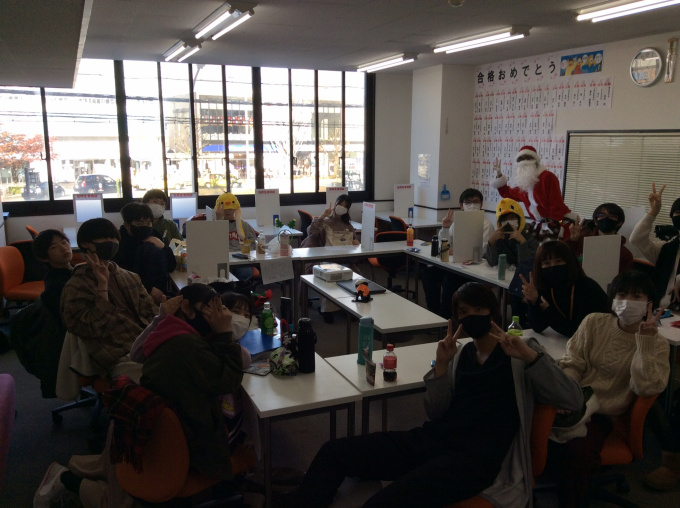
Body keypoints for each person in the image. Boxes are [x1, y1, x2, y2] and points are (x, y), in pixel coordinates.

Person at [283, 282, 583, 507]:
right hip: (433, 440)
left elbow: (572, 399)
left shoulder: (519, 351)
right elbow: (438, 413)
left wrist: (530, 357)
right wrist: (441, 366)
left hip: (474, 462)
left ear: (493, 312)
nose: (471, 316)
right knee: (334, 452)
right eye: (463, 312)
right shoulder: (462, 355)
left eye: (478, 310)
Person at [549, 270, 670, 508]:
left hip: (604, 413)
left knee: (577, 451)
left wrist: (645, 344)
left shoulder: (658, 343)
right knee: (524, 422)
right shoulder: (594, 322)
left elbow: (646, 388)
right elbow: (573, 362)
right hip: (573, 399)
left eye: (636, 296)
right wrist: (567, 394)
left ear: (649, 304)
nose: (627, 301)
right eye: (621, 294)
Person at [140, 283, 245, 479]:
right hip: (197, 447)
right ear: (186, 308)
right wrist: (224, 334)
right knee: (244, 411)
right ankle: (236, 480)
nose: (216, 316)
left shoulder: (166, 332)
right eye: (209, 308)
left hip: (171, 435)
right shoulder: (189, 346)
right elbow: (230, 381)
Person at [60, 218, 158, 378]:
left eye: (114, 238)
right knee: (166, 376)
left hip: (146, 343)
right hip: (117, 353)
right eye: (104, 238)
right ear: (86, 244)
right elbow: (91, 329)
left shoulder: (130, 277)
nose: (111, 242)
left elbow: (151, 313)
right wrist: (102, 286)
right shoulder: (76, 286)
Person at [421, 188, 495, 318]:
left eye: (475, 201)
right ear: (461, 206)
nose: (472, 205)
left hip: (475, 269)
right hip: (455, 264)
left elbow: (482, 251)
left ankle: (445, 317)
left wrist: (457, 250)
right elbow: (444, 244)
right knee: (428, 273)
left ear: (481, 204)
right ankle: (434, 312)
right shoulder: (457, 223)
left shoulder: (486, 225)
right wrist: (445, 228)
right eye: (468, 202)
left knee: (450, 280)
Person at [520, 240, 608, 337]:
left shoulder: (587, 287)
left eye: (558, 261)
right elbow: (538, 326)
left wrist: (548, 310)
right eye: (547, 263)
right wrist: (533, 302)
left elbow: (577, 331)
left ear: (569, 262)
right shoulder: (546, 287)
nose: (553, 266)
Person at [301, 194, 360, 322]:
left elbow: (354, 242)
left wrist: (356, 243)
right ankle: (327, 310)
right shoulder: (325, 222)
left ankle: (349, 308)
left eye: (345, 206)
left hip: (344, 260)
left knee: (355, 276)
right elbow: (311, 232)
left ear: (347, 210)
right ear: (335, 204)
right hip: (325, 259)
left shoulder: (348, 226)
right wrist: (323, 216)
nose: (341, 208)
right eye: (340, 204)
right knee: (331, 275)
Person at [490, 145, 574, 224]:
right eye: (521, 160)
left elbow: (556, 206)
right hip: (542, 226)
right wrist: (499, 174)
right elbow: (507, 193)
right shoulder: (525, 186)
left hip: (560, 223)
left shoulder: (548, 177)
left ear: (535, 161)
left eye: (527, 159)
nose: (524, 162)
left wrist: (554, 227)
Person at [114, 202, 177, 304]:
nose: (145, 227)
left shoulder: (154, 235)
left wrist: (164, 247)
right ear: (127, 225)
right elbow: (121, 274)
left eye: (148, 223)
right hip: (132, 292)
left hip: (161, 292)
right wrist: (149, 288)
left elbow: (171, 266)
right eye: (139, 224)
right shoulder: (118, 242)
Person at [629, 182, 680, 308]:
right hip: (662, 311)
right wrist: (653, 211)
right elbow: (636, 239)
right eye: (678, 212)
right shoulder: (666, 249)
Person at [566, 202, 634, 274]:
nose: (606, 219)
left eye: (612, 216)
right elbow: (563, 257)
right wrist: (572, 240)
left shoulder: (624, 254)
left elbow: (623, 278)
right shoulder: (582, 240)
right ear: (595, 221)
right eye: (601, 215)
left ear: (619, 223)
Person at [32, 229, 73, 327]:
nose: (63, 248)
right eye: (54, 247)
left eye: (64, 242)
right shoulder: (57, 286)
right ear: (44, 258)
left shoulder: (66, 270)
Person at [215, 192, 258, 281]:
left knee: (245, 273)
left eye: (230, 208)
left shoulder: (244, 225)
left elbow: (253, 243)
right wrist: (218, 218)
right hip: (223, 259)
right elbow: (212, 241)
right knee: (223, 276)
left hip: (240, 259)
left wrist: (246, 252)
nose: (227, 211)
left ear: (235, 209)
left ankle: (241, 289)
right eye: (225, 209)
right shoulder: (216, 226)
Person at [485, 197, 539, 268]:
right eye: (505, 219)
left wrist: (522, 242)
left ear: (519, 219)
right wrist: (491, 243)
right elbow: (493, 263)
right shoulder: (501, 235)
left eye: (512, 218)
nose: (508, 221)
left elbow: (528, 264)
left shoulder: (530, 232)